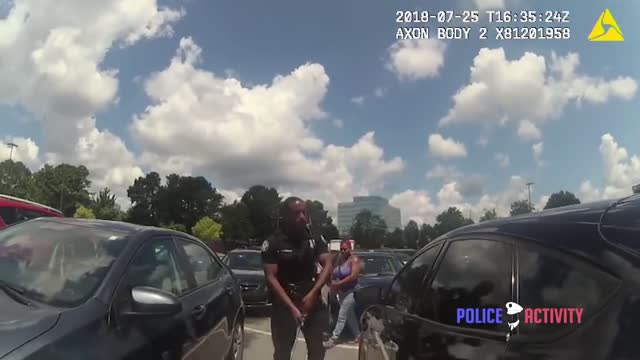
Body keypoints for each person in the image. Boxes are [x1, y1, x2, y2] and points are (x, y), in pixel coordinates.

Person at [262, 196, 333, 360]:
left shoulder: (315, 237)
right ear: (286, 216)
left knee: (317, 350)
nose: (302, 217)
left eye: (304, 212)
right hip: (284, 304)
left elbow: (327, 264)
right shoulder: (273, 242)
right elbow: (271, 277)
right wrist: (291, 307)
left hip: (312, 301)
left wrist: (314, 293)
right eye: (296, 213)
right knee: (282, 353)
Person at [323, 239, 362, 348]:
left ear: (350, 248)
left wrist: (338, 283)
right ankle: (358, 335)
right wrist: (332, 282)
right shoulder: (340, 260)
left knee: (342, 314)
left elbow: (353, 276)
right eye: (341, 249)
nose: (343, 251)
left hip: (351, 291)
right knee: (350, 315)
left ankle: (333, 338)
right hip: (341, 292)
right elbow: (333, 272)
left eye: (345, 249)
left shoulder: (354, 259)